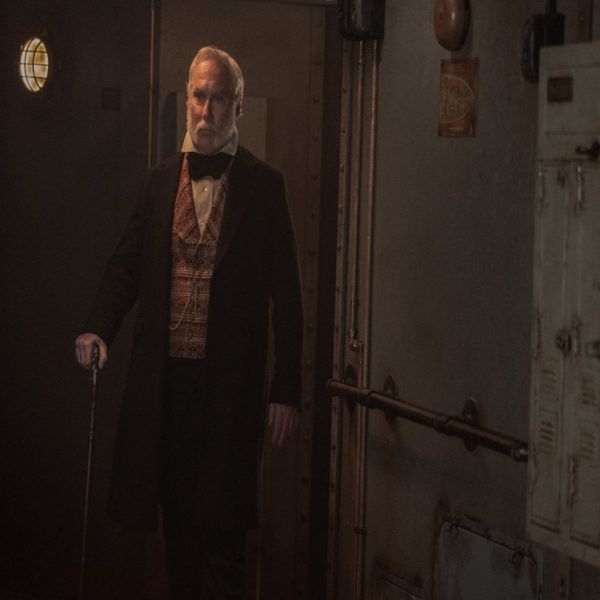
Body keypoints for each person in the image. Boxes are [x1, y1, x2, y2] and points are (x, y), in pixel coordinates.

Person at [75, 46, 303, 599]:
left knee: (223, 533)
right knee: (176, 526)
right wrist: (98, 326)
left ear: (237, 106)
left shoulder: (264, 186)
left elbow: (288, 295)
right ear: (187, 100)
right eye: (199, 96)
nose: (206, 110)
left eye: (218, 99)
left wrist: (286, 389)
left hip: (229, 390)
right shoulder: (157, 184)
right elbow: (126, 265)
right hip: (167, 386)